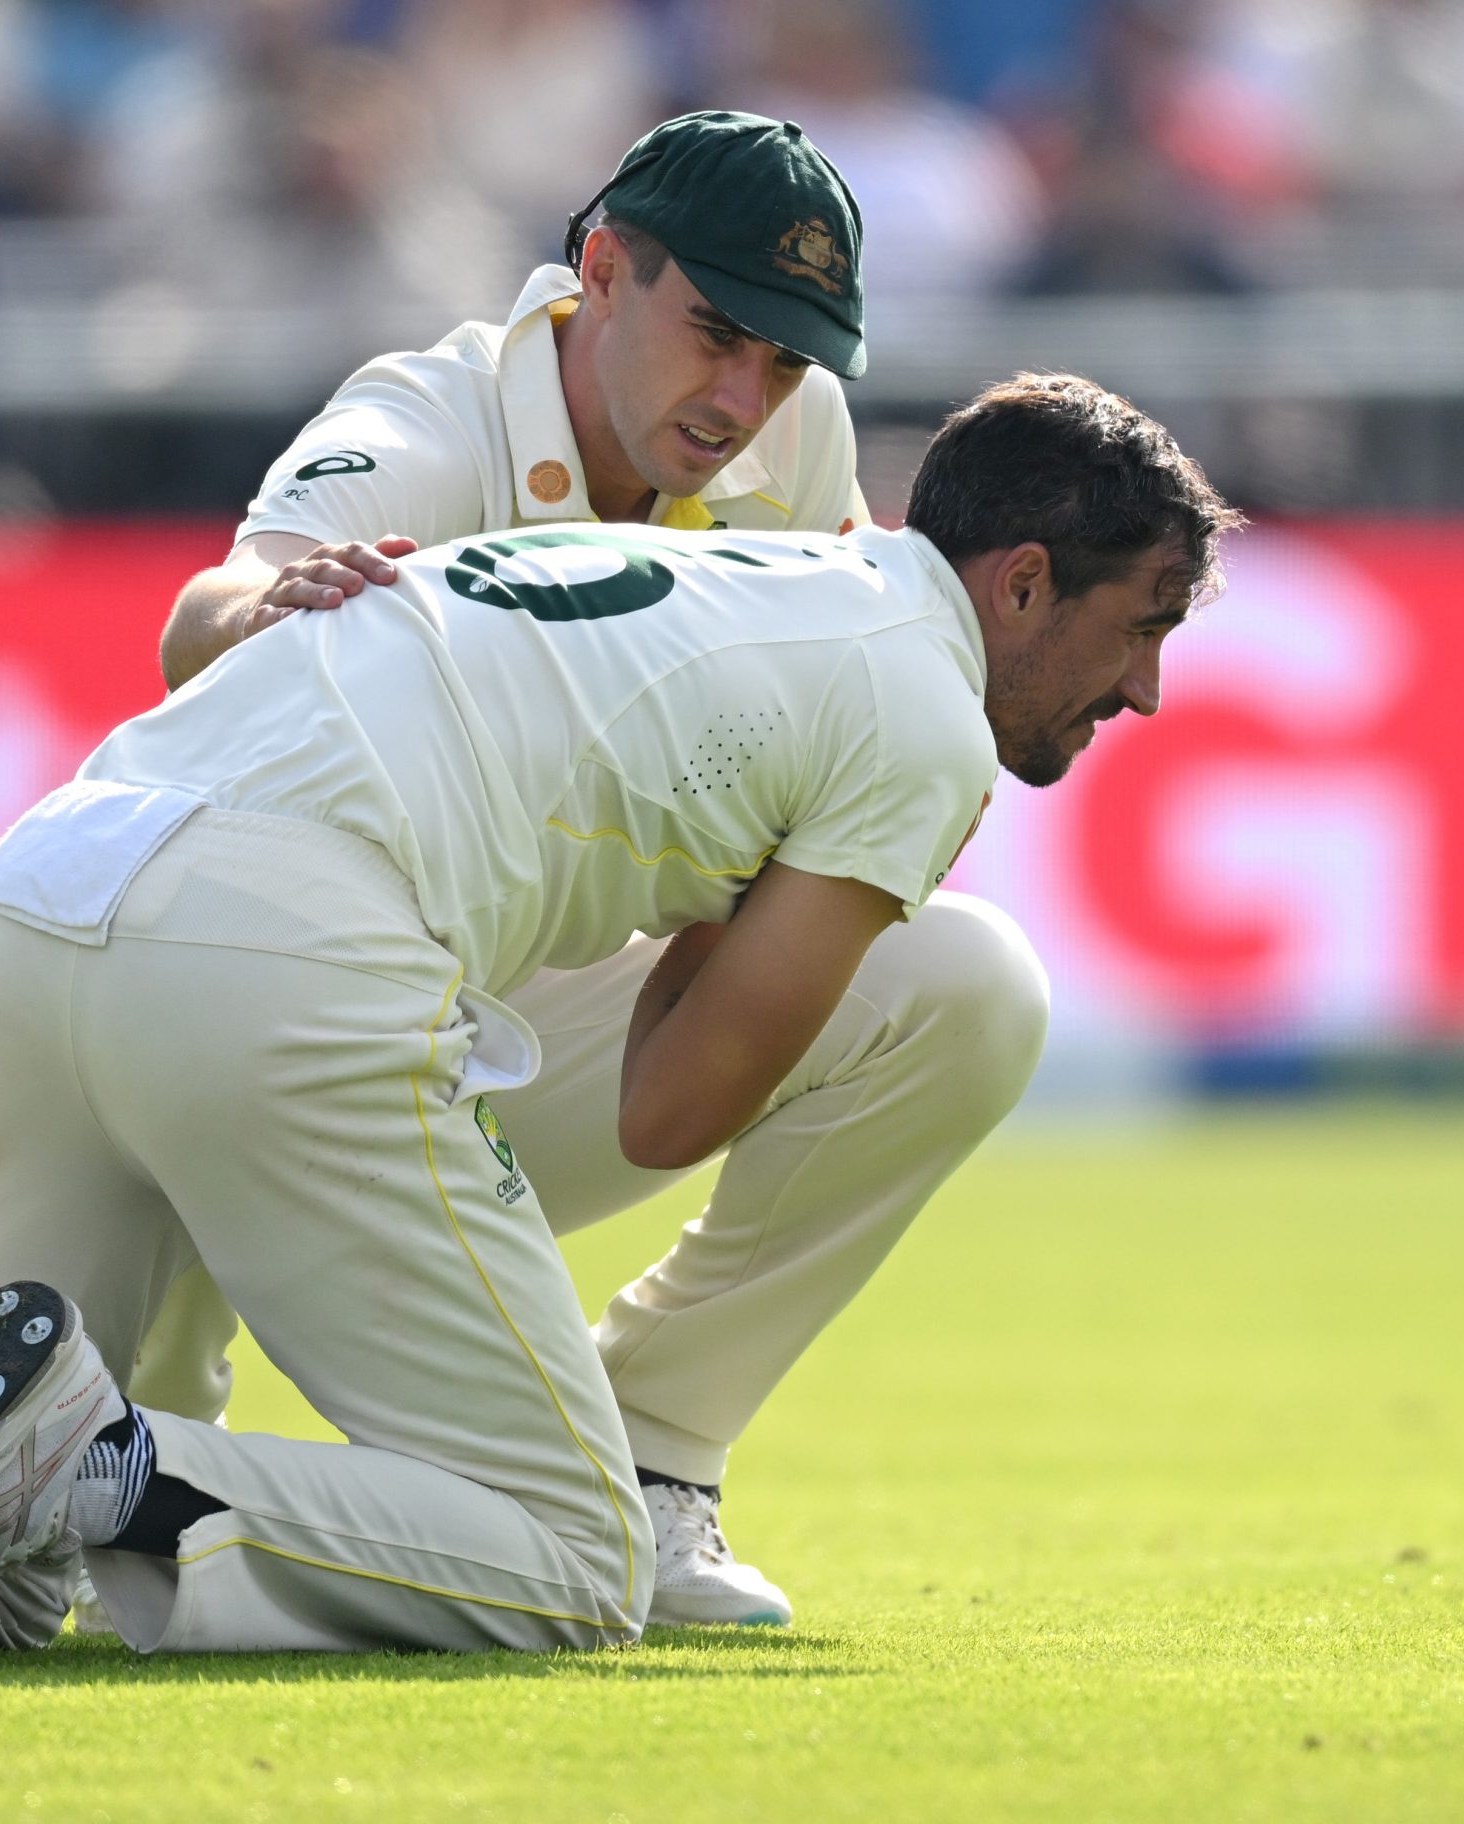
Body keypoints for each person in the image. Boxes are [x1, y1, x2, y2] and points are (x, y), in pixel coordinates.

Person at [0, 373, 1241, 1666]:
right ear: (1017, 584)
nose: (1147, 689)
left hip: (48, 902)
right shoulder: (919, 713)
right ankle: (99, 1461)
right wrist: (753, 903)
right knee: (567, 1562)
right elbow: (678, 1105)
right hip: (281, 949)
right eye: (1143, 621)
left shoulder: (745, 565)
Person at [145, 109, 995, 1628]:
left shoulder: (793, 435)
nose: (745, 399)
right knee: (50, 1487)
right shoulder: (431, 414)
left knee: (962, 982)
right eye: (717, 332)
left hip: (528, 1033)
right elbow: (210, 610)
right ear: (601, 270)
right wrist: (269, 608)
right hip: (274, 1002)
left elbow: (841, 719)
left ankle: (657, 1458)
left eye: (788, 360)